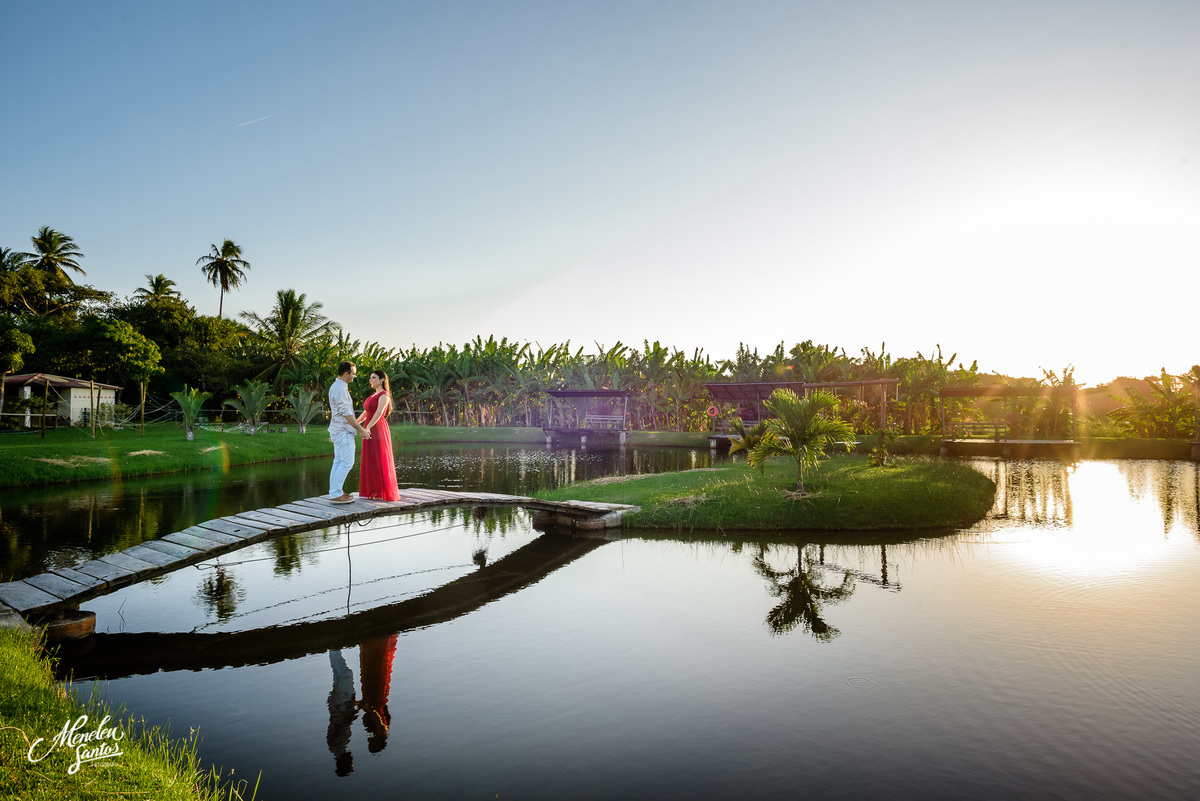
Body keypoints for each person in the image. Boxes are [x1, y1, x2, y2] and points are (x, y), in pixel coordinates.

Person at [328, 361, 370, 504]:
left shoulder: (338, 387)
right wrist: (361, 430)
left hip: (339, 430)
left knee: (339, 461)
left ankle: (335, 492)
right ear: (346, 374)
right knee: (347, 462)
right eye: (353, 373)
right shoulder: (339, 389)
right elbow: (347, 415)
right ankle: (335, 494)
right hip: (343, 431)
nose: (355, 376)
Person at [357, 369, 400, 501]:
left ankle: (381, 491)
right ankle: (372, 491)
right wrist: (355, 423)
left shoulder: (384, 395)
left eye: (374, 378)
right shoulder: (372, 395)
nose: (371, 380)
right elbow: (366, 412)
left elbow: (379, 413)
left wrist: (368, 427)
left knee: (378, 458)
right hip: (369, 428)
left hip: (378, 429)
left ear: (382, 380)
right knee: (370, 459)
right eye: (370, 378)